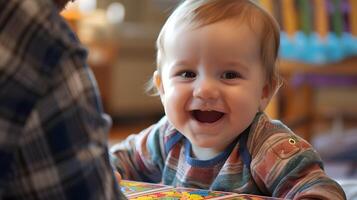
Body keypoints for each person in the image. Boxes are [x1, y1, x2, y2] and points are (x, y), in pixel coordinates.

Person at [111, 0, 346, 199]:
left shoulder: (268, 147)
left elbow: (322, 190)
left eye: (229, 75)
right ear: (162, 88)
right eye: (187, 74)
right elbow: (117, 159)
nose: (204, 90)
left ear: (264, 92)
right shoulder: (165, 138)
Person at [0, 0, 126, 199]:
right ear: (159, 82)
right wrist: (107, 173)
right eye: (186, 74)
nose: (196, 91)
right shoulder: (44, 41)